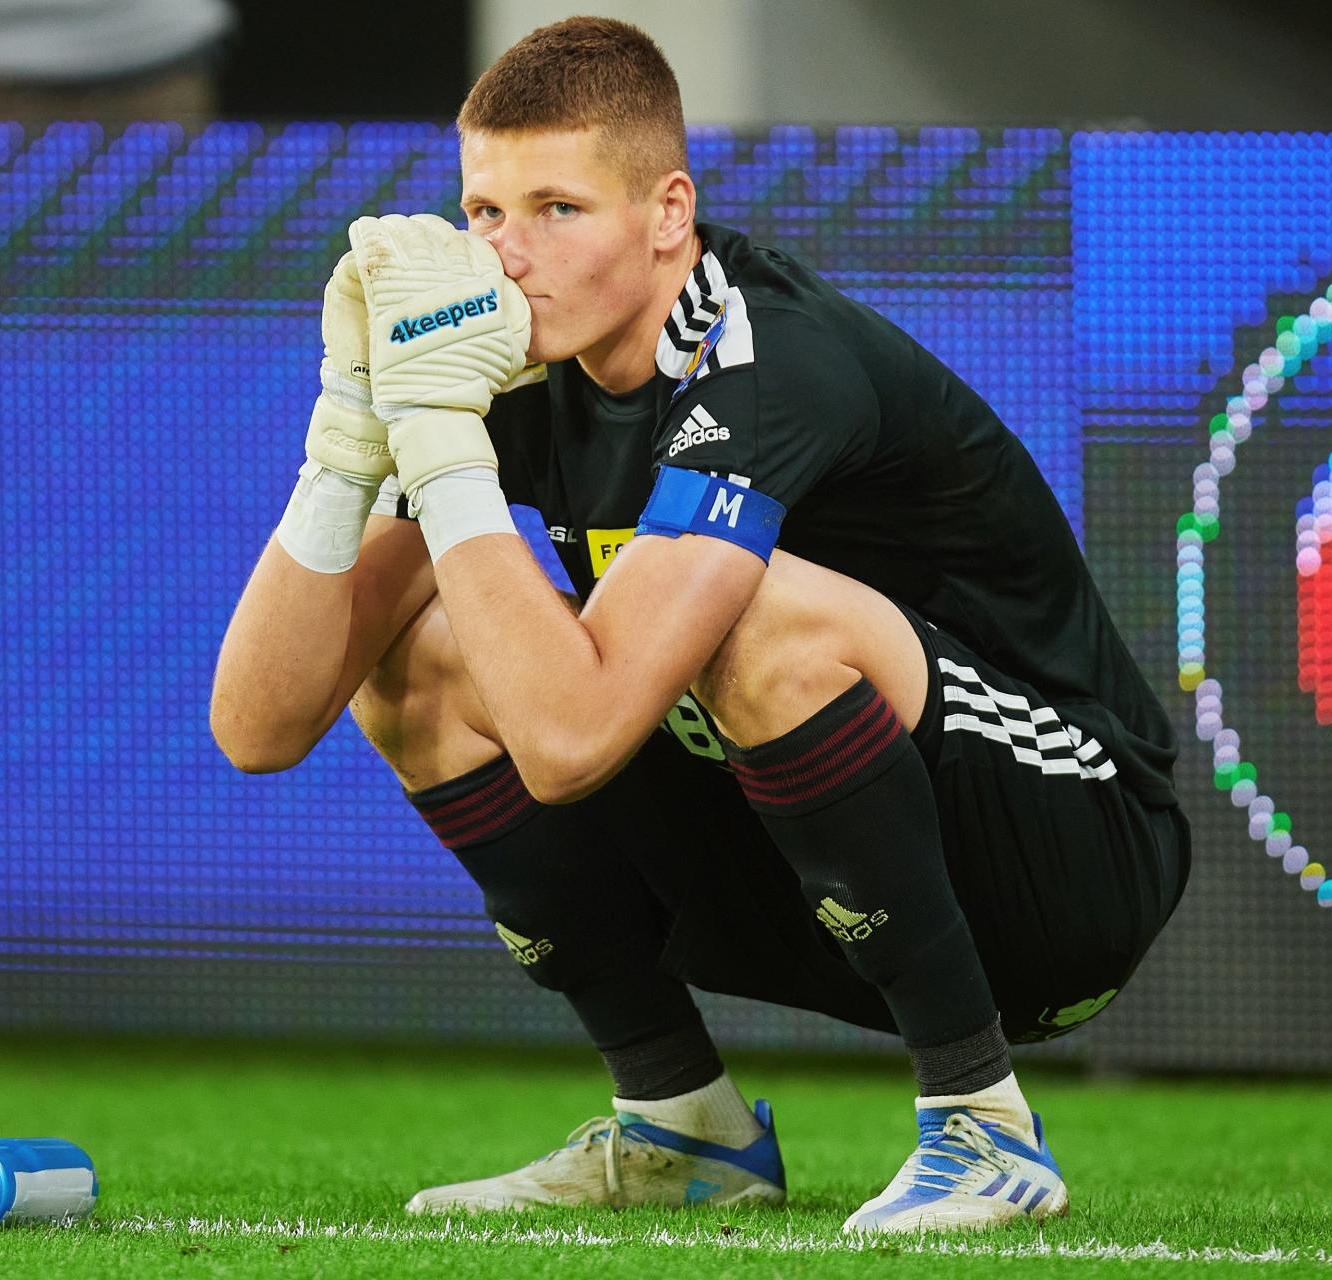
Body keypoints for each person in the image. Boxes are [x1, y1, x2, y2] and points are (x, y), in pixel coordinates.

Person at [210, 16, 1187, 1234]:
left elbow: (569, 742)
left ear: (668, 213)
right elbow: (259, 725)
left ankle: (983, 1124)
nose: (508, 255)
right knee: (420, 659)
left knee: (752, 614)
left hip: (1065, 857)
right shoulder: (507, 371)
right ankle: (681, 1125)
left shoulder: (765, 359)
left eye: (558, 209)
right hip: (827, 859)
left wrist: (445, 447)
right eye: (486, 212)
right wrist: (353, 428)